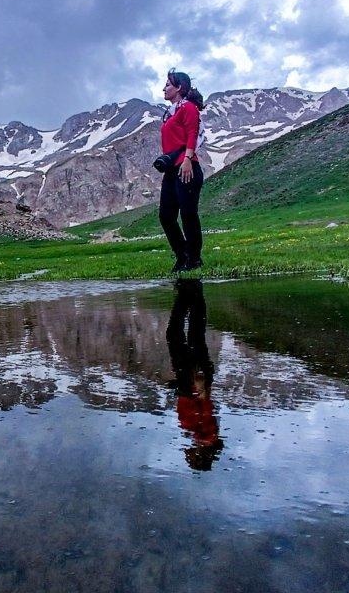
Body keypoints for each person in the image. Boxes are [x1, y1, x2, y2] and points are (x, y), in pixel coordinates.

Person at [167, 279, 222, 471]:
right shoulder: (207, 434)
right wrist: (200, 384)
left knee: (189, 336)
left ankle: (190, 292)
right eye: (190, 458)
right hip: (192, 381)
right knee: (184, 336)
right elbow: (204, 408)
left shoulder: (202, 435)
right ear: (199, 455)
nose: (187, 454)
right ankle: (190, 291)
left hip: (187, 383)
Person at [159, 70, 205, 272]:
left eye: (168, 85)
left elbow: (192, 134)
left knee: (188, 214)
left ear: (179, 88)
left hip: (187, 166)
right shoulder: (171, 113)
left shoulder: (189, 108)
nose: (164, 88)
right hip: (171, 170)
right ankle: (183, 255)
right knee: (166, 215)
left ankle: (194, 259)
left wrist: (187, 159)